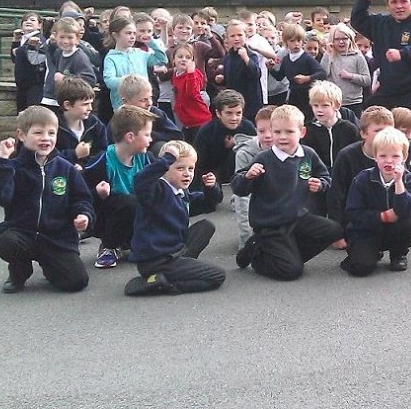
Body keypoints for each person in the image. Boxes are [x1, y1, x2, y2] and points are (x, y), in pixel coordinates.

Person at [0, 106, 93, 293]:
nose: (46, 138)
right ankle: (20, 269)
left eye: (51, 133)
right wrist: (2, 160)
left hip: (56, 238)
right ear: (21, 135)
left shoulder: (66, 168)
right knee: (7, 242)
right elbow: (1, 196)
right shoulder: (14, 167)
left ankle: (51, 266)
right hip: (23, 233)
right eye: (38, 132)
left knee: (76, 282)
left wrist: (83, 214)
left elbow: (82, 198)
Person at [232, 105, 344, 280]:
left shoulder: (308, 154)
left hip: (298, 217)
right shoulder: (263, 158)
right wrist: (248, 176)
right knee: (291, 272)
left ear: (302, 132)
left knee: (334, 230)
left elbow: (325, 176)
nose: (282, 137)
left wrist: (320, 184)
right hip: (270, 224)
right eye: (277, 132)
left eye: (289, 132)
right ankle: (257, 252)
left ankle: (288, 256)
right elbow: (239, 189)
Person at [124, 141, 225, 296]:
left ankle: (169, 274)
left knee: (206, 226)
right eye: (180, 168)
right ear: (164, 170)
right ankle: (162, 284)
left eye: (191, 168)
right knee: (218, 275)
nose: (187, 173)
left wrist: (211, 188)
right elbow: (141, 181)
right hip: (157, 260)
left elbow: (207, 204)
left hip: (174, 251)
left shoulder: (180, 192)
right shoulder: (155, 190)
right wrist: (166, 160)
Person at [341, 127, 411, 275]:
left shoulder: (408, 179)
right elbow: (353, 214)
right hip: (366, 231)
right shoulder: (362, 180)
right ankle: (362, 254)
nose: (389, 161)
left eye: (395, 156)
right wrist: (382, 216)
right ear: (375, 157)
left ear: (404, 157)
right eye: (383, 155)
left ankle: (398, 253)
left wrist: (399, 183)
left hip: (394, 229)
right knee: (361, 269)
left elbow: (408, 211)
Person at [82, 105, 155, 269]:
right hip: (106, 218)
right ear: (130, 137)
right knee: (128, 202)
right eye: (147, 135)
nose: (151, 139)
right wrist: (97, 193)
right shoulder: (102, 162)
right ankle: (109, 246)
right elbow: (81, 196)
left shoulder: (145, 158)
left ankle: (131, 241)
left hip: (137, 217)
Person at [326, 106, 395, 232]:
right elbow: (336, 195)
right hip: (356, 218)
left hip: (386, 216)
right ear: (363, 133)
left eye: (387, 131)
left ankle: (398, 249)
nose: (383, 135)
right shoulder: (346, 156)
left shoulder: (396, 155)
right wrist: (336, 232)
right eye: (378, 131)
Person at [231, 105, 276, 251]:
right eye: (262, 131)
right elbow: (242, 196)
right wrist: (246, 236)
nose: (267, 135)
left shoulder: (291, 147)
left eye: (272, 130)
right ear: (255, 131)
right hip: (252, 197)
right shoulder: (244, 154)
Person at [103, 16, 168, 112]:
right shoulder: (111, 58)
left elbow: (162, 60)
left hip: (144, 105)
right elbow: (109, 81)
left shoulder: (140, 53)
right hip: (123, 108)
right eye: (128, 33)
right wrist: (131, 81)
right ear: (115, 35)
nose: (132, 36)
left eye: (134, 33)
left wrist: (151, 42)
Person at [194, 89, 257, 185]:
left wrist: (238, 145)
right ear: (219, 113)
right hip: (214, 178)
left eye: (238, 113)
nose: (234, 118)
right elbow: (200, 164)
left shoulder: (248, 128)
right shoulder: (207, 131)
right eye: (229, 113)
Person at [39, 17, 97, 110]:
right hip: (56, 99)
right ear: (55, 36)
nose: (65, 41)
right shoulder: (59, 52)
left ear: (78, 38)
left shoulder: (79, 57)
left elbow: (90, 80)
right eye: (62, 37)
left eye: (70, 37)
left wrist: (65, 79)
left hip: (72, 104)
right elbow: (48, 53)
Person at [118, 74, 184, 155]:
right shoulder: (118, 121)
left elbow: (177, 135)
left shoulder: (155, 113)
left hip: (154, 157)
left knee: (160, 147)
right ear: (126, 102)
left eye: (150, 98)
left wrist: (149, 135)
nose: (149, 103)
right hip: (128, 159)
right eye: (143, 100)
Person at [303, 81, 360, 173]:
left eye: (325, 106)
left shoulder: (349, 129)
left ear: (337, 105)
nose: (319, 110)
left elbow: (355, 157)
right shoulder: (308, 130)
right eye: (315, 106)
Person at [273, 23, 326, 119]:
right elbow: (279, 76)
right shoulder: (286, 59)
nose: (296, 44)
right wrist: (270, 69)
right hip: (293, 96)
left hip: (308, 96)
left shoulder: (307, 58)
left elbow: (322, 73)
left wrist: (307, 78)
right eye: (292, 41)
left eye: (299, 41)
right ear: (286, 42)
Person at [54, 76, 107, 169]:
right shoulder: (53, 127)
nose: (90, 108)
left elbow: (102, 152)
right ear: (67, 105)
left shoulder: (95, 124)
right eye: (85, 104)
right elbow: (50, 156)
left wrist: (84, 165)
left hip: (89, 175)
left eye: (91, 103)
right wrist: (75, 154)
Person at [321, 23, 371, 117]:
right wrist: (327, 54)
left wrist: (350, 76)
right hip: (333, 102)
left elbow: (367, 80)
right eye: (337, 39)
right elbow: (323, 75)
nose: (341, 42)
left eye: (344, 39)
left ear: (350, 40)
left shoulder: (357, 56)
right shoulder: (329, 56)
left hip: (354, 102)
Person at [220, 19, 264, 122]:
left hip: (250, 104)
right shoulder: (228, 56)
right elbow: (230, 79)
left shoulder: (251, 55)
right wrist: (222, 79)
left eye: (240, 35)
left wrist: (246, 59)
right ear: (227, 38)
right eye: (233, 36)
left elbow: (256, 74)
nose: (236, 38)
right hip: (234, 103)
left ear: (246, 35)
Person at [170, 43, 212, 143]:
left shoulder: (194, 75)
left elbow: (191, 93)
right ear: (174, 60)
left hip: (200, 120)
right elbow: (178, 93)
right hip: (187, 121)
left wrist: (190, 74)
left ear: (192, 61)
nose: (184, 59)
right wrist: (177, 107)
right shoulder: (176, 75)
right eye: (180, 57)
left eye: (188, 57)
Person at [12, 12, 47, 111]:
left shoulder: (39, 39)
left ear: (39, 25)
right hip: (22, 85)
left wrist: (19, 50)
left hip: (35, 84)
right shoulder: (22, 40)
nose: (28, 22)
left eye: (32, 20)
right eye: (25, 20)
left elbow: (34, 59)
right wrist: (15, 41)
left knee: (33, 114)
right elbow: (14, 58)